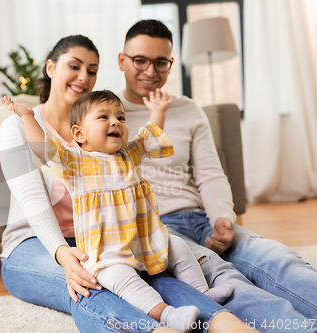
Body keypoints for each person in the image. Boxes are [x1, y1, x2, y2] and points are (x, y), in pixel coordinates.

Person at [0, 35, 259, 333]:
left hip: (105, 241)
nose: (84, 77)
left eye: (92, 70)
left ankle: (222, 323)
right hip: (35, 244)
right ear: (51, 67)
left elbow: (147, 138)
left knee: (160, 275)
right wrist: (61, 253)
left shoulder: (104, 136)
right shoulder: (22, 128)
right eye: (74, 65)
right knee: (91, 284)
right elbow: (32, 199)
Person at [115, 19, 317, 332]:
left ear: (171, 64)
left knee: (277, 257)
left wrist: (222, 217)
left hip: (200, 217)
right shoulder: (106, 115)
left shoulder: (188, 109)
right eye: (140, 60)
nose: (150, 71)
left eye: (161, 62)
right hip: (157, 229)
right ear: (122, 61)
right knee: (223, 278)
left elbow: (210, 174)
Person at [0, 89, 234, 331]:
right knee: (124, 281)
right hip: (106, 254)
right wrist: (27, 116)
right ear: (79, 133)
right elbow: (43, 148)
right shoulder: (75, 163)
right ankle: (167, 315)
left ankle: (204, 295)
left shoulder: (128, 155)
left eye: (121, 118)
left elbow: (149, 136)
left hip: (143, 242)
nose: (115, 122)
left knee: (180, 248)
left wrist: (158, 111)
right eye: (104, 117)